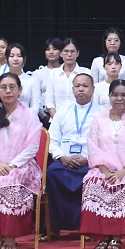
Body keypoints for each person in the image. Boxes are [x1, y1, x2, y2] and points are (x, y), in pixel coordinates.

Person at [0, 73, 44, 249]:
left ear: (20, 90)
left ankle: (10, 235)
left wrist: (13, 165)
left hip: (23, 166)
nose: (8, 91)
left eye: (12, 87)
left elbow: (32, 147)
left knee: (11, 182)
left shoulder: (30, 115)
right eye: (4, 88)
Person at [80, 79, 125, 249]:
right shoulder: (99, 119)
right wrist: (105, 171)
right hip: (103, 169)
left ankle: (116, 237)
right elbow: (93, 147)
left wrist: (123, 172)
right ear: (109, 96)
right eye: (115, 95)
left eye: (123, 95)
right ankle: (103, 237)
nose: (119, 99)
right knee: (93, 183)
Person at [45, 73, 101, 237]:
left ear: (93, 89)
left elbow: (105, 144)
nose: (81, 89)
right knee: (52, 173)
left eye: (85, 86)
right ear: (72, 89)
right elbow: (52, 140)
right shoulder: (62, 112)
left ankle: (88, 228)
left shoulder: (102, 113)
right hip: (65, 161)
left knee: (95, 177)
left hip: (90, 162)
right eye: (77, 86)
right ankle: (54, 227)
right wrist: (62, 157)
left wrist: (88, 159)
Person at [45, 39, 91, 120]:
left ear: (78, 53)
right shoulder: (53, 74)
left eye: (72, 51)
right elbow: (49, 102)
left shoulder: (86, 72)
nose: (69, 55)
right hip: (57, 120)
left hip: (81, 119)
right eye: (66, 51)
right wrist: (57, 120)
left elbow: (91, 98)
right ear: (61, 53)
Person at [6, 43, 41, 117]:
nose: (15, 59)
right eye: (12, 56)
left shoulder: (32, 80)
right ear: (7, 59)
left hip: (27, 119)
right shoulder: (2, 80)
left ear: (24, 59)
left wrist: (28, 119)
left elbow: (35, 106)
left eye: (19, 56)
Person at [35, 37, 65, 118]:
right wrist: (44, 117)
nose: (51, 52)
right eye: (48, 49)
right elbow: (36, 98)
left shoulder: (65, 71)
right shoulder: (39, 73)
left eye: (55, 49)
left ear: (61, 52)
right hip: (44, 115)